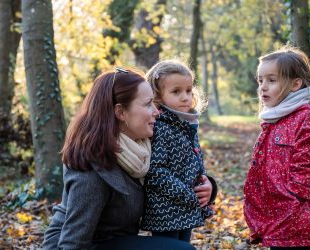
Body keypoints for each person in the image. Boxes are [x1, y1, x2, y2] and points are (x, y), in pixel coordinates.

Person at [42, 68, 215, 249]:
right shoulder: (93, 169)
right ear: (121, 113)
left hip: (116, 241)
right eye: (148, 104)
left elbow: (178, 166)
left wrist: (208, 186)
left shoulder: (140, 148)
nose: (157, 111)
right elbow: (73, 242)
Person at [243, 46, 310, 249]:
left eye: (272, 80)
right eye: (260, 81)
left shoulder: (306, 116)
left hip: (298, 211)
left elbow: (306, 160)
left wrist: (294, 197)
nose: (263, 87)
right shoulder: (275, 117)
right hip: (277, 210)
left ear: (295, 84)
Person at [140, 60, 215, 242]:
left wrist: (206, 187)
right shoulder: (160, 127)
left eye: (188, 90)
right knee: (171, 245)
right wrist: (187, 193)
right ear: (158, 96)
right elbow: (155, 171)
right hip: (166, 210)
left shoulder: (185, 124)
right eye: (176, 91)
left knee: (184, 243)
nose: (185, 97)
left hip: (185, 206)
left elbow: (194, 160)